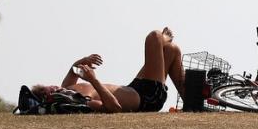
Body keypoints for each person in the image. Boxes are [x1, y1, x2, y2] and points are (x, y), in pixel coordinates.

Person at [31, 27, 184, 113]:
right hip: (147, 98)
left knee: (171, 50)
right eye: (50, 89)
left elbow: (73, 70)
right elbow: (114, 108)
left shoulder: (67, 88)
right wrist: (93, 80)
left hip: (134, 87)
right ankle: (164, 38)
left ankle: (191, 103)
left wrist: (84, 60)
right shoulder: (77, 102)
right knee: (154, 37)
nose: (55, 86)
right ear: (49, 96)